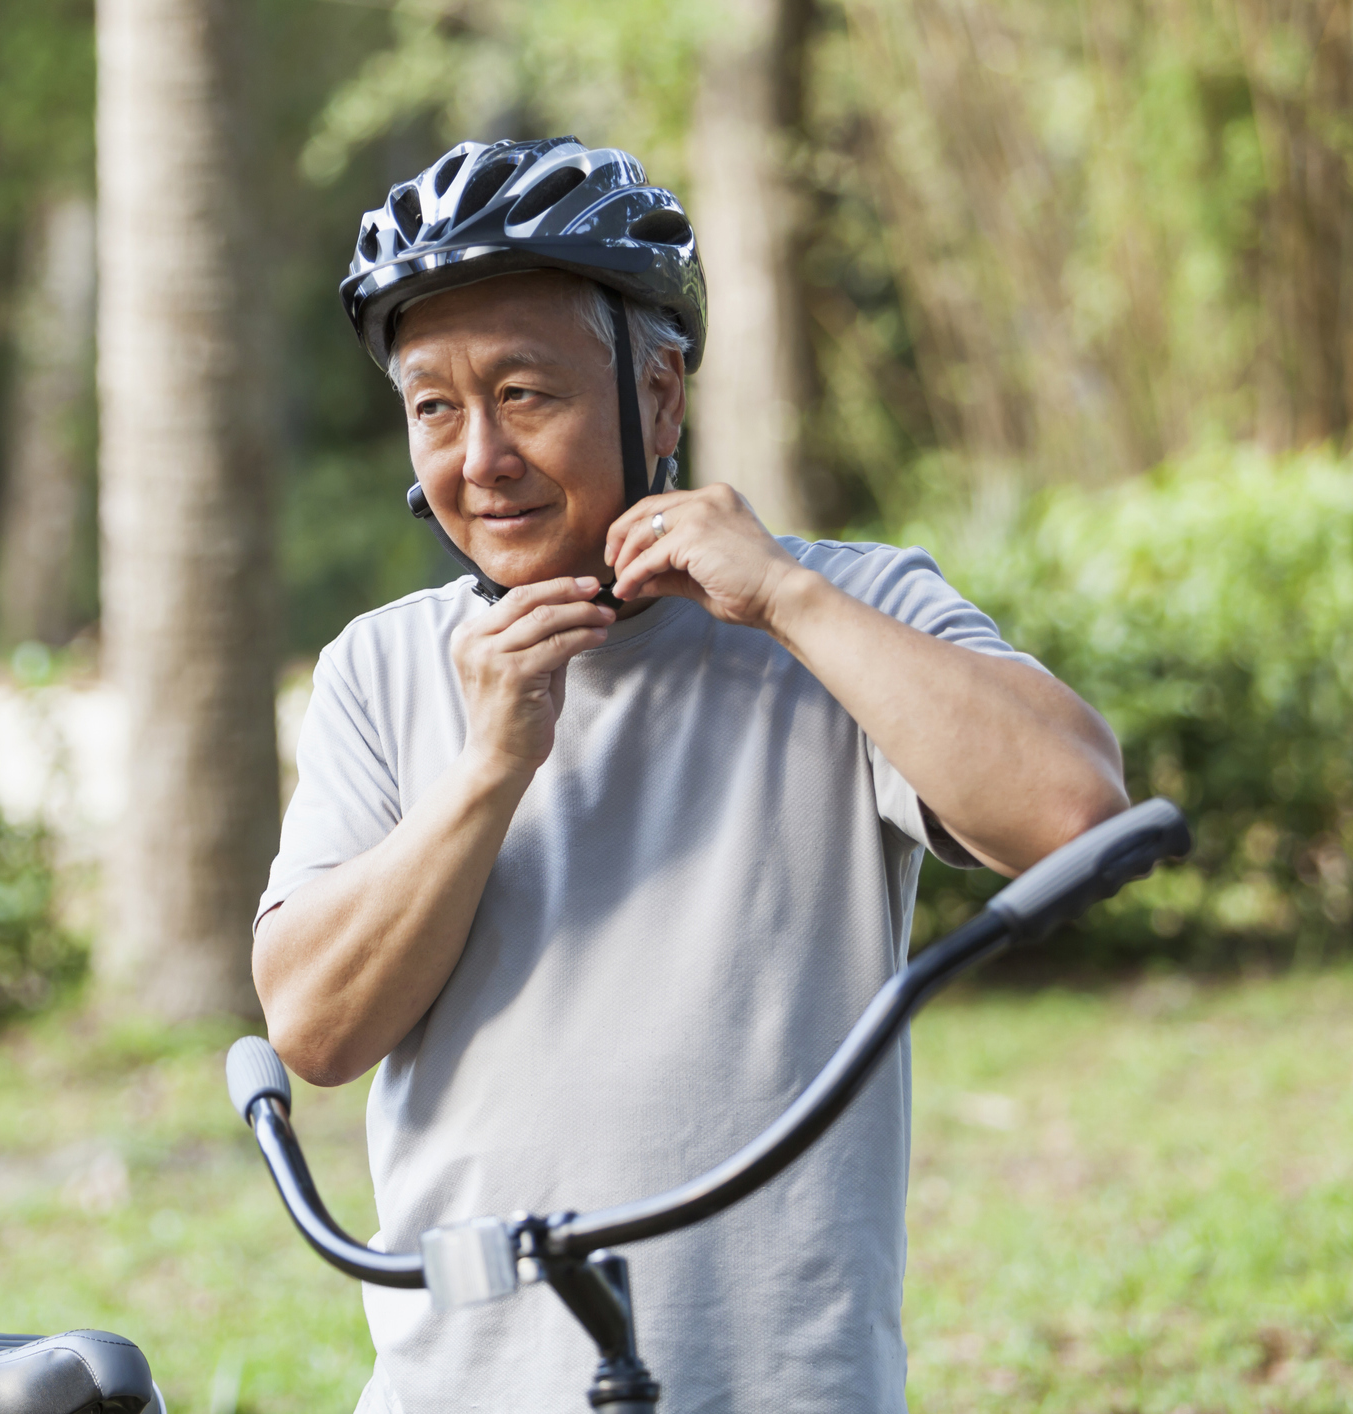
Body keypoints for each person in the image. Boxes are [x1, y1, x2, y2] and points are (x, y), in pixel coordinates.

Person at [252, 137, 1127, 1414]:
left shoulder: (847, 613)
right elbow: (315, 1027)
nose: (478, 456)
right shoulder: (382, 669)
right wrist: (493, 762)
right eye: (435, 406)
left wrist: (783, 595)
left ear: (659, 398)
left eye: (525, 393)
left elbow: (1075, 814)